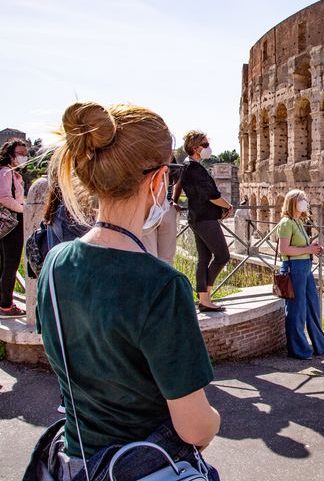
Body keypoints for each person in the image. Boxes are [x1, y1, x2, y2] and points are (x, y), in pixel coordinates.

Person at [32, 102, 220, 480]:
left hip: (74, 463)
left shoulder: (54, 263)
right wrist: (213, 418)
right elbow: (195, 430)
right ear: (158, 181)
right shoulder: (162, 286)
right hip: (136, 466)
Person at [276, 190, 324, 359]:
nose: (305, 202)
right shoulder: (286, 223)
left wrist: (314, 248)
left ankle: (321, 344)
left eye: (304, 199)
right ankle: (298, 350)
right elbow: (284, 250)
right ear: (292, 202)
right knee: (296, 309)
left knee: (313, 305)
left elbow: (301, 246)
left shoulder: (299, 221)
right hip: (293, 267)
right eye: (301, 199)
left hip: (305, 265)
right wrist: (307, 249)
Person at [177, 131, 232, 311]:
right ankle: (206, 298)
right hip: (205, 217)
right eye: (205, 145)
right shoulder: (195, 168)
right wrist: (228, 206)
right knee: (223, 255)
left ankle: (204, 300)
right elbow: (211, 195)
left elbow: (178, 184)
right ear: (195, 148)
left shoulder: (187, 166)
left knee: (204, 258)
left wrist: (174, 200)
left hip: (196, 217)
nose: (209, 148)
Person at [0, 139, 28, 319]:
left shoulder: (5, 172)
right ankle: (5, 307)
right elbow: (5, 198)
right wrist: (25, 210)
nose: (24, 156)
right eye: (19, 153)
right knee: (11, 264)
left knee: (6, 264)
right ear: (10, 154)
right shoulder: (5, 172)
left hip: (6, 219)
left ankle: (3, 304)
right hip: (12, 219)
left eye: (25, 153)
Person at [143, 153, 182, 265]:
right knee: (149, 256)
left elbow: (174, 178)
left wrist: (173, 200)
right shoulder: (143, 152)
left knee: (166, 258)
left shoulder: (168, 154)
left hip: (166, 207)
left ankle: (164, 282)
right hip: (148, 209)